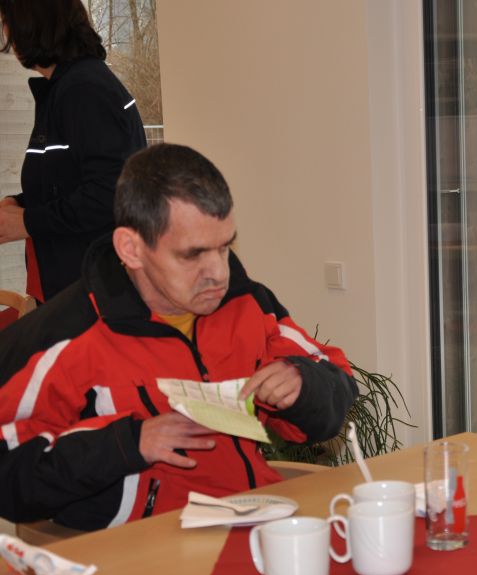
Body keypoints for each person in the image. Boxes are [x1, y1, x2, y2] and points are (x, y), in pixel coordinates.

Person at [0, 143, 358, 530]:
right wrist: (125, 445)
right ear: (131, 249)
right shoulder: (63, 337)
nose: (218, 274)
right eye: (192, 255)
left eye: (224, 247)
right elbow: (10, 480)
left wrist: (303, 385)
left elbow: (335, 385)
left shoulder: (248, 303)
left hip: (251, 522)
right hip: (140, 548)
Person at [0, 0, 146, 302]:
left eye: (7, 22)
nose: (6, 33)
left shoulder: (84, 90)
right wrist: (21, 203)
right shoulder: (67, 87)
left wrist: (27, 221)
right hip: (74, 285)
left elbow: (108, 194)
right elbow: (69, 179)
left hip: (94, 291)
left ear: (32, 25)